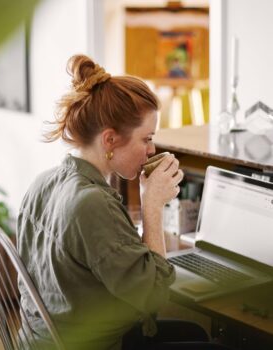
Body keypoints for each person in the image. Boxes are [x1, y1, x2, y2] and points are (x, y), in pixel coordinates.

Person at [17, 55, 231, 350]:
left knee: (193, 331)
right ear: (110, 140)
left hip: (44, 337)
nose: (152, 149)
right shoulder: (92, 203)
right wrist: (152, 205)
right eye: (146, 138)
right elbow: (154, 297)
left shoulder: (43, 182)